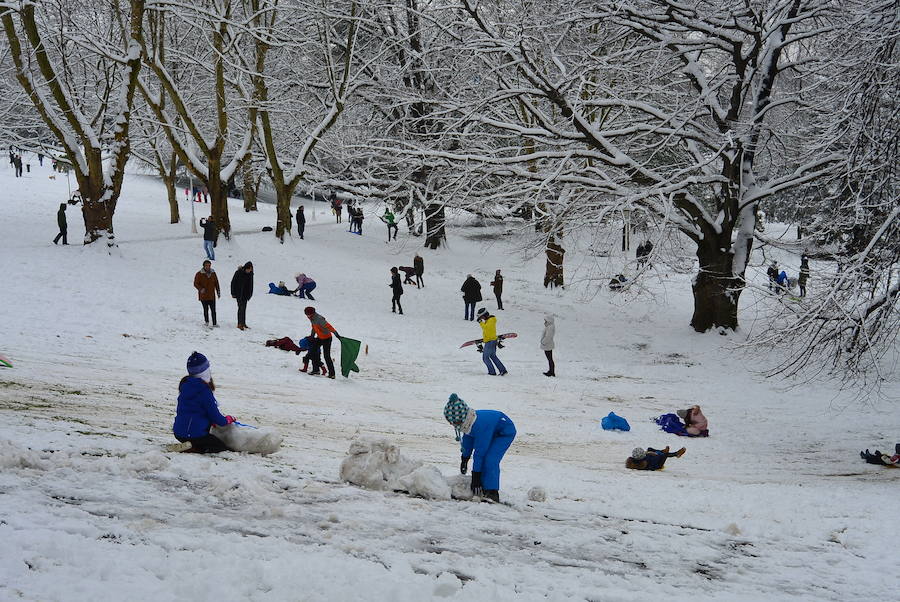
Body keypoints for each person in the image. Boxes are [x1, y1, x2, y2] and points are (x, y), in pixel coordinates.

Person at [443, 393, 516, 503]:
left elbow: (480, 452)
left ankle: (492, 491)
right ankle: (484, 486)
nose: (451, 424)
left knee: (490, 459)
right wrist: (465, 458)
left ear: (459, 418)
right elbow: (468, 440)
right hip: (490, 429)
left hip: (504, 432)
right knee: (484, 458)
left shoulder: (479, 425)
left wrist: (476, 475)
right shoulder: (468, 422)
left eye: (452, 422)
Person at [172, 352, 235, 453]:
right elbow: (215, 416)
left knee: (209, 441)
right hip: (195, 435)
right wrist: (227, 420)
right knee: (221, 448)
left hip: (178, 433)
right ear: (205, 371)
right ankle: (193, 448)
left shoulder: (186, 385)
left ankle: (188, 445)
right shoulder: (203, 390)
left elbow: (195, 410)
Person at [304, 306, 341, 379]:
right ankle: (316, 370)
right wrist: (312, 336)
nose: (307, 316)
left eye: (308, 314)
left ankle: (332, 374)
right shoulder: (311, 318)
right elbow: (314, 327)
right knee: (313, 351)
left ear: (312, 313)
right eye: (306, 314)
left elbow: (329, 326)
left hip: (327, 338)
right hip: (320, 338)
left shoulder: (319, 319)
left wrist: (336, 333)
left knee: (326, 356)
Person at [476, 307, 507, 376]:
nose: (482, 319)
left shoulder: (490, 320)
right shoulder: (489, 320)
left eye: (482, 317)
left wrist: (481, 323)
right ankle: (503, 370)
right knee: (493, 356)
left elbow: (486, 329)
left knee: (485, 358)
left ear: (484, 315)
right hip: (491, 340)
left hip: (490, 341)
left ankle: (492, 372)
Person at [194, 260, 221, 327]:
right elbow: (195, 283)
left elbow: (216, 283)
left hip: (212, 295)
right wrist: (200, 289)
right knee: (205, 309)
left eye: (209, 265)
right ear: (204, 266)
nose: (208, 267)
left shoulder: (213, 273)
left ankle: (214, 323)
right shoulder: (199, 274)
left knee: (213, 310)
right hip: (204, 295)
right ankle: (206, 322)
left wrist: (218, 292)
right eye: (206, 265)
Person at [230, 262, 254, 330]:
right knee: (241, 308)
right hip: (239, 294)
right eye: (249, 269)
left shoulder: (250, 274)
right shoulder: (238, 272)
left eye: (251, 270)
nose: (250, 271)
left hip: (246, 295)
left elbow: (251, 284)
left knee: (244, 309)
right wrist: (233, 293)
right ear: (246, 268)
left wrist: (250, 294)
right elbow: (233, 283)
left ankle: (243, 323)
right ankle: (239, 323)